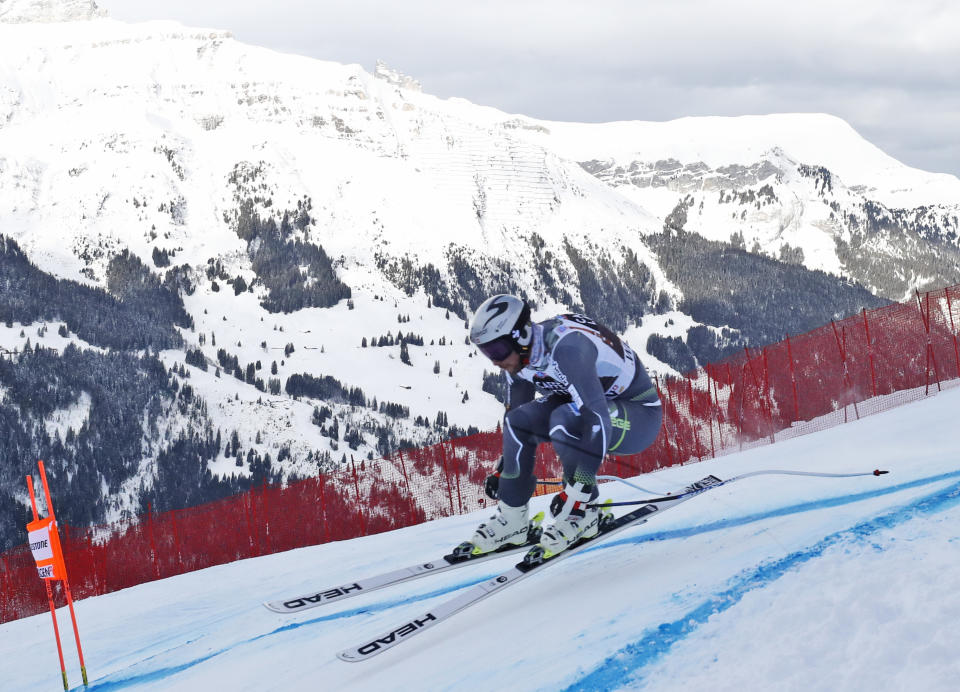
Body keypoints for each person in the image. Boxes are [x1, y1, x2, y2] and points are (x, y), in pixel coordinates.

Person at [466, 294, 663, 559]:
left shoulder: (567, 350)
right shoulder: (520, 358)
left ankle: (583, 513)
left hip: (638, 415)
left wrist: (578, 490)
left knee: (564, 419)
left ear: (520, 335)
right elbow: (517, 413)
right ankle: (513, 520)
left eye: (498, 350)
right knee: (517, 422)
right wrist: (505, 472)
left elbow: (597, 417)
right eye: (487, 352)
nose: (494, 360)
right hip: (591, 406)